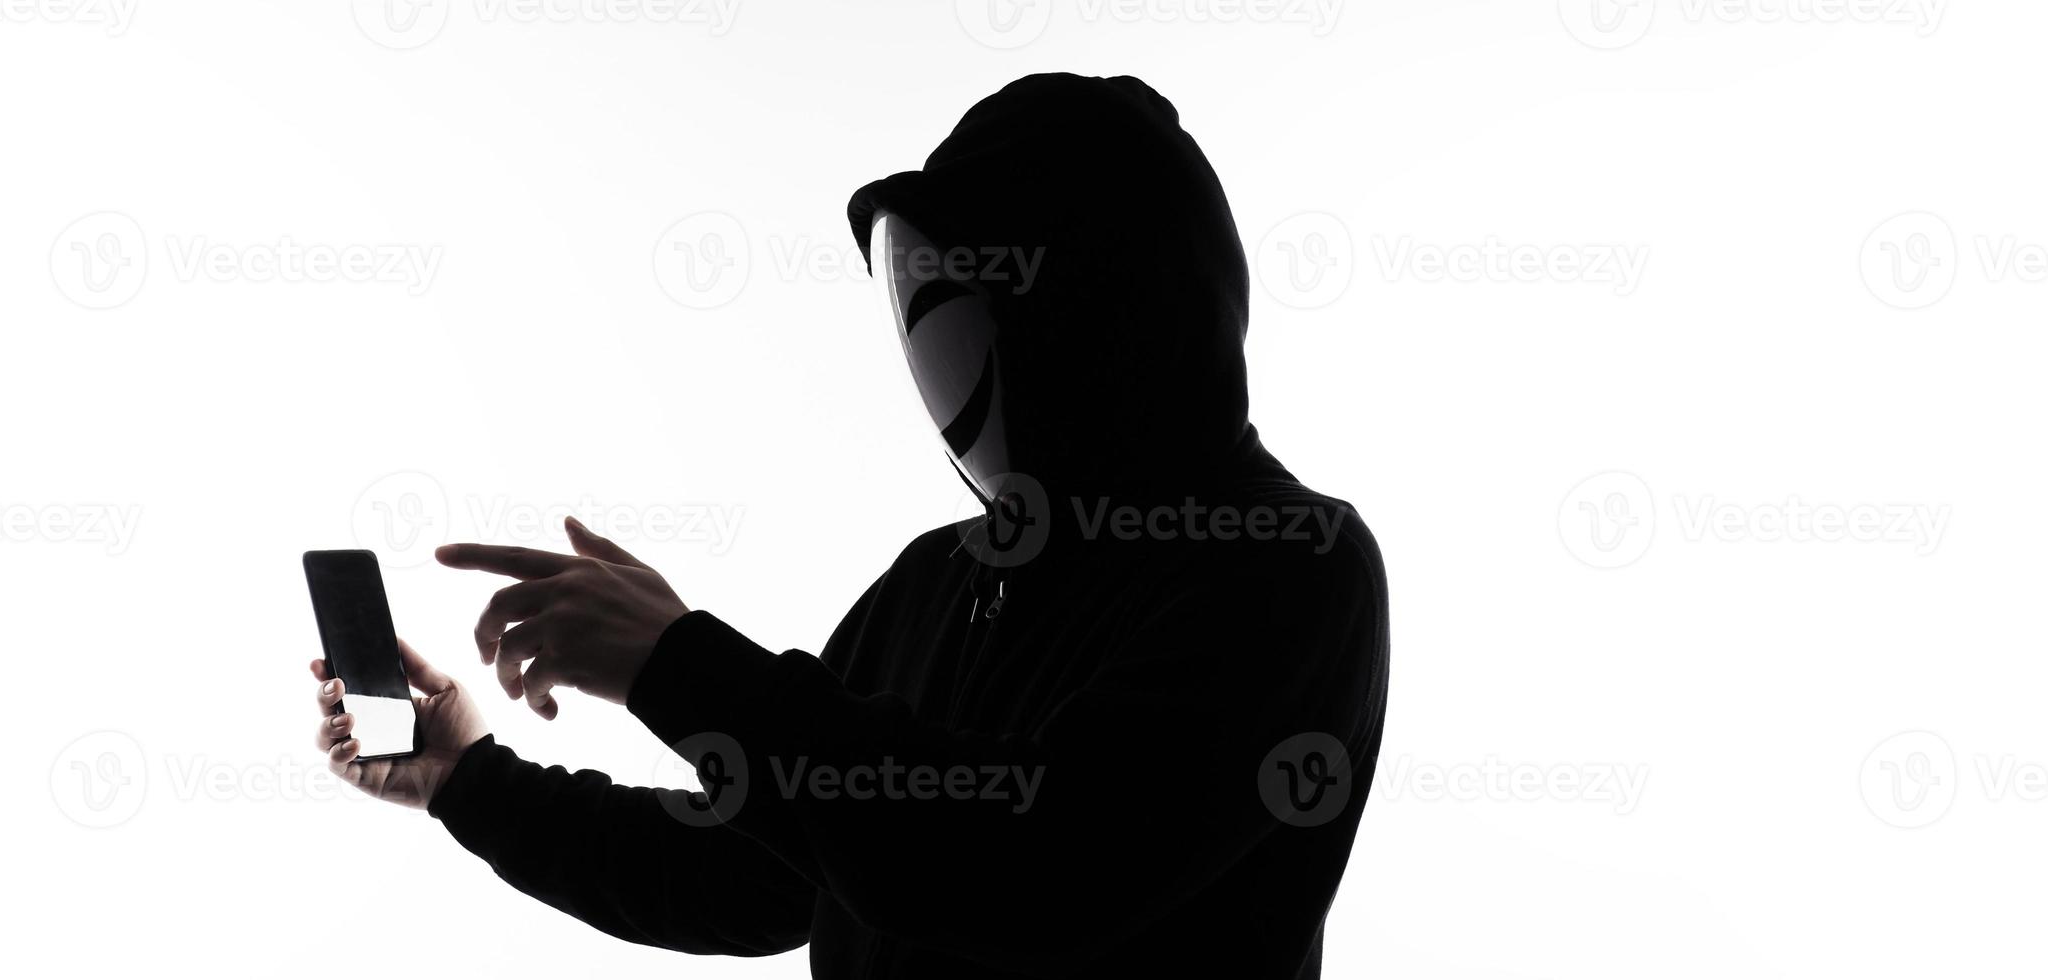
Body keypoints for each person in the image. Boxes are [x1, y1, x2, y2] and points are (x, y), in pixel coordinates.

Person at [307, 73, 1390, 978]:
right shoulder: (942, 579)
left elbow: (1036, 868)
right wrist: (465, 777)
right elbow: (750, 873)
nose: (942, 351)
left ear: (1099, 305)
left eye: (973, 300)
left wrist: (675, 662)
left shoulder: (1287, 566)